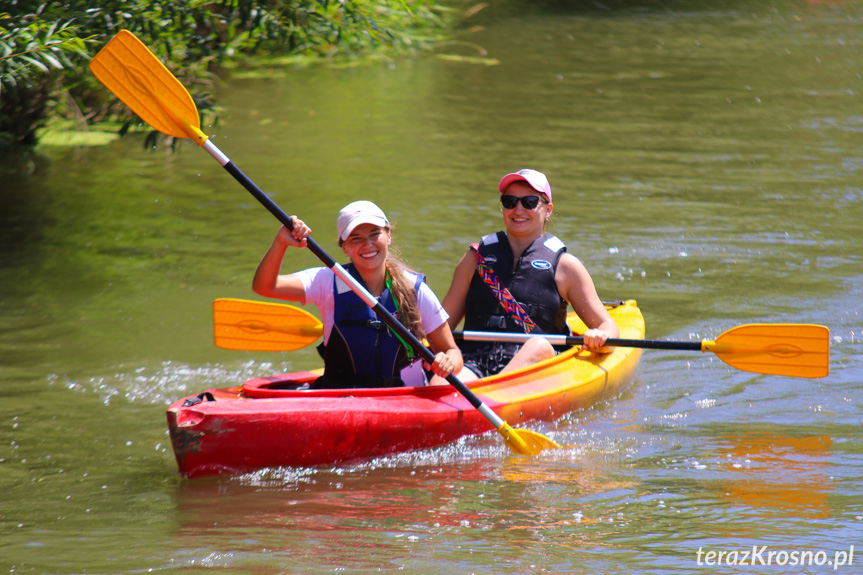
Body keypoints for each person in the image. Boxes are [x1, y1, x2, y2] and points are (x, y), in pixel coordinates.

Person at [253, 200, 463, 389]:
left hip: (403, 397)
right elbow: (265, 286)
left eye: (375, 234)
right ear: (344, 247)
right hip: (340, 396)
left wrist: (447, 362)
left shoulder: (415, 290)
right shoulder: (327, 281)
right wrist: (281, 242)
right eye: (355, 238)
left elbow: (453, 352)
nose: (367, 245)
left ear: (388, 236)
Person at [441, 169, 620, 381]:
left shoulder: (566, 268)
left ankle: (494, 393)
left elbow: (608, 326)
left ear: (548, 209)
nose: (518, 209)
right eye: (510, 201)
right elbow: (440, 328)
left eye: (529, 202)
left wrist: (600, 336)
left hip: (537, 365)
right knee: (438, 382)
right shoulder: (474, 259)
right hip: (474, 361)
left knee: (538, 345)